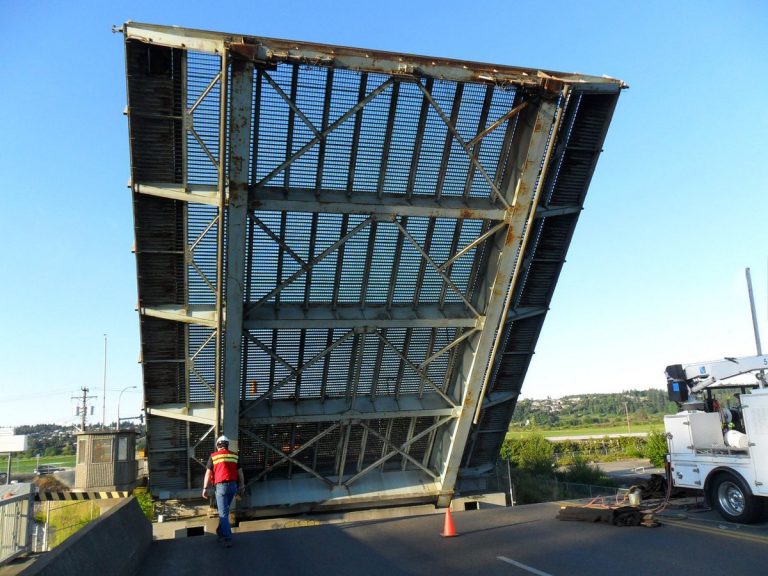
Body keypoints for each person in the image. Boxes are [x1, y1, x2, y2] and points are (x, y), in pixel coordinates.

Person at [202, 435, 245, 547]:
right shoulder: (234, 456)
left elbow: (208, 473)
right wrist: (242, 485)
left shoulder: (214, 456)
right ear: (227, 445)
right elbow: (240, 472)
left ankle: (227, 538)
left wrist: (205, 488)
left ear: (217, 446)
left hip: (221, 487)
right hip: (233, 487)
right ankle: (220, 531)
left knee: (223, 514)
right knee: (225, 511)